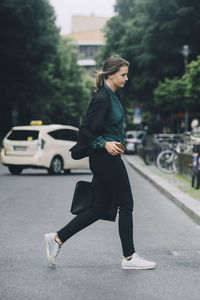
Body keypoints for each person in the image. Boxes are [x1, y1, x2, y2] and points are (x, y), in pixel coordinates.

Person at [44, 55, 156, 270]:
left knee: (97, 209)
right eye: (123, 74)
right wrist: (104, 144)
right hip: (105, 158)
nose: (126, 78)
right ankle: (129, 258)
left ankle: (57, 239)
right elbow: (85, 129)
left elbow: (107, 127)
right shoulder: (102, 97)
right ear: (111, 74)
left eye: (126, 74)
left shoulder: (112, 96)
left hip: (108, 157)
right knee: (126, 203)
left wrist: (113, 142)